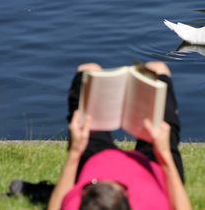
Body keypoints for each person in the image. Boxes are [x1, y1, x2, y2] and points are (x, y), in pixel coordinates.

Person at [47, 62, 191, 210]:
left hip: (96, 156)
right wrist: (164, 154)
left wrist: (75, 152)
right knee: (158, 69)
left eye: (94, 183)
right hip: (153, 164)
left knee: (88, 70)